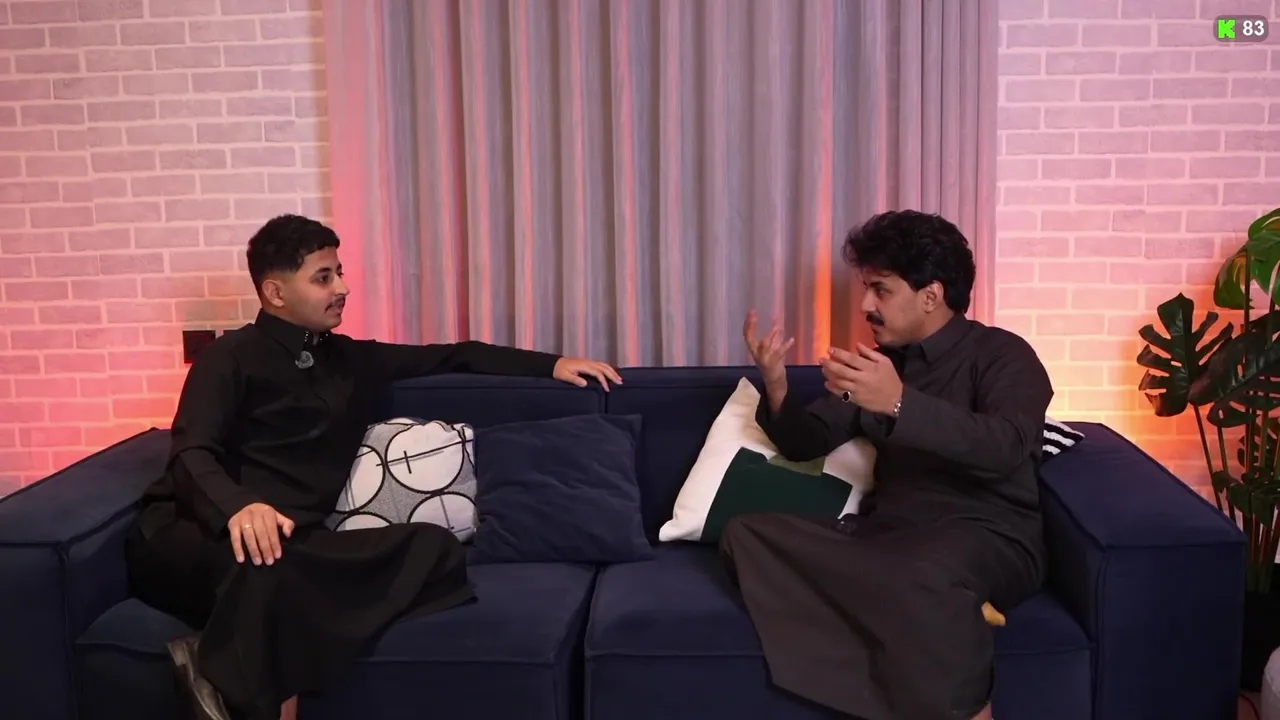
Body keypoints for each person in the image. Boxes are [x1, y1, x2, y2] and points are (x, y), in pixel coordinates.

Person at [126, 214, 622, 720]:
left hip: (297, 544)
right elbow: (191, 452)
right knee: (272, 577)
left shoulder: (348, 359)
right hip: (201, 534)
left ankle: (211, 655)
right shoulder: (228, 357)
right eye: (323, 278)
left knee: (433, 549)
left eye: (339, 273)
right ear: (275, 292)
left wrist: (551, 365)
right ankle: (246, 682)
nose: (342, 288)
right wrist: (240, 507)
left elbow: (456, 357)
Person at [723, 209, 1053, 720]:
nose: (865, 305)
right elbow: (808, 444)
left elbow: (1006, 445)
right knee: (745, 533)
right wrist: (777, 386)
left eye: (881, 290)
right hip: (891, 540)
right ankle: (947, 609)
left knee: (923, 571)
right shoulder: (880, 367)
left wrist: (900, 403)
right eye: (866, 289)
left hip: (988, 533)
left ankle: (966, 693)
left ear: (931, 295)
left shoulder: (1003, 354)